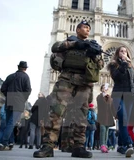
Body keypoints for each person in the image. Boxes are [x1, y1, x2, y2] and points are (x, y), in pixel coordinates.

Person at [33, 20, 104, 158]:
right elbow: (55, 47)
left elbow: (100, 64)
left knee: (81, 115)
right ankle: (48, 146)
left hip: (84, 83)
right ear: (77, 30)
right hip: (66, 79)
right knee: (56, 111)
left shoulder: (91, 45)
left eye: (89, 28)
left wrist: (94, 54)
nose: (88, 30)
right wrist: (75, 44)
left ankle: (78, 146)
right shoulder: (69, 42)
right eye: (84, 27)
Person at [107, 46, 134, 158]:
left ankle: (121, 146)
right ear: (118, 53)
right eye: (121, 51)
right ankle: (129, 144)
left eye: (125, 51)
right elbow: (116, 77)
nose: (124, 53)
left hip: (130, 96)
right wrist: (123, 63)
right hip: (118, 94)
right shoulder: (114, 65)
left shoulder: (131, 67)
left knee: (125, 121)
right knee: (123, 118)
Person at [0, 61, 31, 151]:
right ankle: (3, 143)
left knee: (9, 122)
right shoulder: (25, 77)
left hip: (9, 101)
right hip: (19, 102)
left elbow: (3, 88)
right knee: (11, 123)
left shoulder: (10, 76)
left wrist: (8, 95)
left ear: (18, 67)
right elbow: (28, 90)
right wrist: (23, 98)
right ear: (25, 68)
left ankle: (11, 142)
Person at [96, 83, 115, 153]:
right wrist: (104, 95)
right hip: (102, 116)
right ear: (101, 89)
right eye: (103, 88)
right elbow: (100, 103)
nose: (104, 89)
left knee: (106, 131)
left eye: (105, 88)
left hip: (109, 116)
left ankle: (105, 144)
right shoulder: (99, 97)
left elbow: (112, 107)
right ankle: (102, 145)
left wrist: (115, 115)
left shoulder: (110, 98)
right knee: (103, 130)